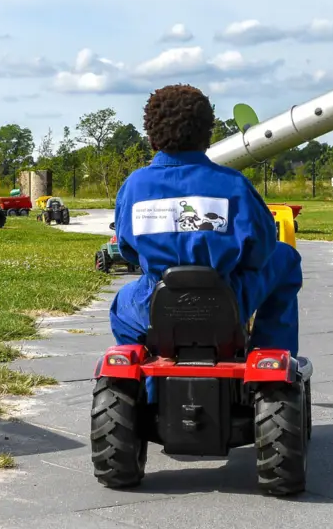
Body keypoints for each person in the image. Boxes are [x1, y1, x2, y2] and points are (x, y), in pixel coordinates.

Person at [109, 84, 302, 357]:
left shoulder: (134, 186)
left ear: (151, 138)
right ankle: (269, 355)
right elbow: (262, 250)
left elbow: (128, 250)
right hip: (227, 300)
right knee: (286, 258)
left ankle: (147, 377)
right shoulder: (234, 185)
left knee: (121, 307)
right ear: (207, 136)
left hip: (156, 302)